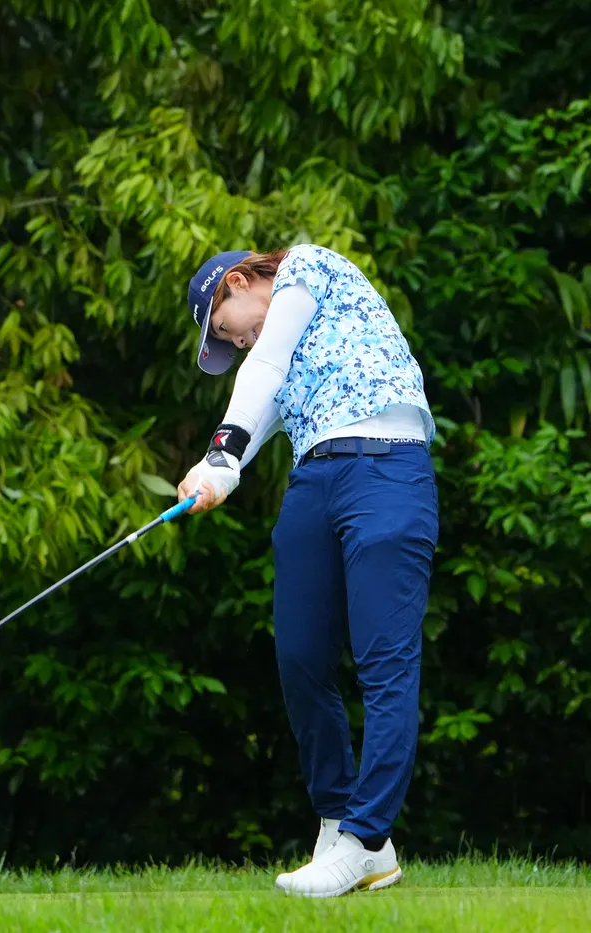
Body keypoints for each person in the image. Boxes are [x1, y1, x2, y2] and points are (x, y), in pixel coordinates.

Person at [175, 244, 440, 897]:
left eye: (226, 327)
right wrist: (215, 470)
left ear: (241, 280)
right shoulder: (283, 356)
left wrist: (222, 449)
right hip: (315, 478)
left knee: (385, 663)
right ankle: (336, 821)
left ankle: (366, 838)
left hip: (389, 466)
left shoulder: (310, 267)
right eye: (227, 342)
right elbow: (262, 405)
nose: (237, 341)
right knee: (299, 658)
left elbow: (262, 365)